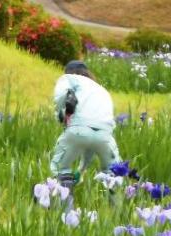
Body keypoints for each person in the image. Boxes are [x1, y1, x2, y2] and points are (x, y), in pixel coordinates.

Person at [50, 60, 120, 190]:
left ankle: (64, 205)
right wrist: (81, 171)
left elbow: (60, 96)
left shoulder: (69, 78)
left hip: (78, 128)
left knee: (60, 167)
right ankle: (116, 205)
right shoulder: (101, 89)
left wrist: (61, 114)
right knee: (113, 173)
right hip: (105, 135)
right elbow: (91, 144)